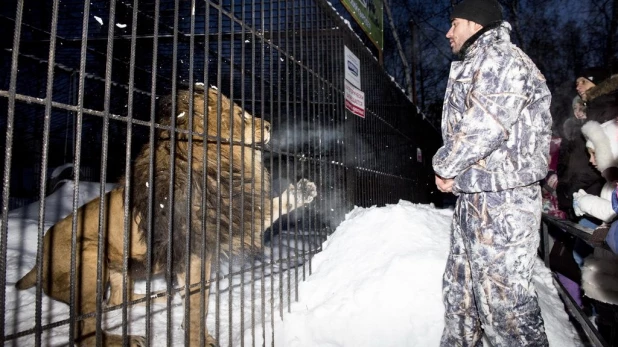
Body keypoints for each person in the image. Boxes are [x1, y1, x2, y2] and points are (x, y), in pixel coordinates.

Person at [432, 0, 550, 345]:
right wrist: (457, 174)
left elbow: (482, 127)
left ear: (474, 22)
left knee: (505, 307)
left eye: (454, 23)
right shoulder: (479, 62)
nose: (448, 32)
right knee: (462, 296)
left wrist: (445, 165)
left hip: (504, 203)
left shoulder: (501, 59)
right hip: (477, 198)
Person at [574, 119, 618, 346]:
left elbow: (612, 212)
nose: (591, 161)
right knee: (606, 326)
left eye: (595, 154)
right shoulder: (610, 182)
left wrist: (585, 202)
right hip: (607, 271)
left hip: (612, 275)